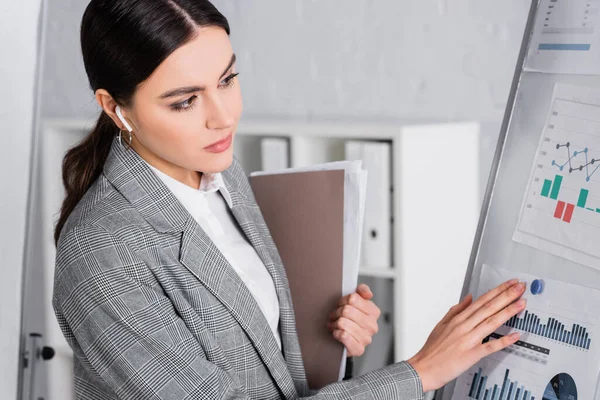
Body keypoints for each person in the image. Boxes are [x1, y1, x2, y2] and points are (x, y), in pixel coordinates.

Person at [52, 1, 527, 399]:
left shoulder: (220, 174)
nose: (224, 117)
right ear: (115, 107)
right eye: (185, 101)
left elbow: (257, 354)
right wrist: (420, 373)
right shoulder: (103, 255)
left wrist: (327, 337)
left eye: (227, 80)